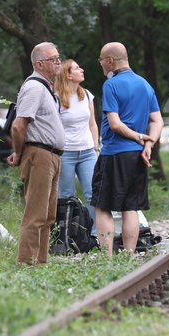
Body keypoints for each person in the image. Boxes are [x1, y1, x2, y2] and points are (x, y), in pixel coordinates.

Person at [91, 42, 163, 255]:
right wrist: (148, 144)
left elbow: (115, 124)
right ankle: (129, 256)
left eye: (101, 60)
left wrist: (140, 137)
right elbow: (157, 121)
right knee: (130, 207)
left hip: (114, 153)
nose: (101, 65)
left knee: (102, 206)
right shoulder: (144, 84)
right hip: (137, 156)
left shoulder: (111, 85)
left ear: (110, 61)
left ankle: (108, 257)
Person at [7, 43, 66, 265]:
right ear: (40, 64)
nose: (59, 62)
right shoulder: (34, 87)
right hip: (39, 155)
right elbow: (18, 125)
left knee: (48, 216)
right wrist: (20, 154)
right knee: (35, 215)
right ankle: (26, 265)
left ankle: (40, 263)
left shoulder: (47, 88)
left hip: (51, 156)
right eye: (54, 59)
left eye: (59, 58)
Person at [54, 59, 100, 230]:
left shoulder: (86, 94)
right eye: (76, 68)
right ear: (67, 74)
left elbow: (93, 124)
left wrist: (96, 148)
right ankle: (67, 236)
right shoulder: (56, 98)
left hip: (88, 152)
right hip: (66, 153)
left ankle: (94, 235)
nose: (82, 70)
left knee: (93, 194)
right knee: (66, 196)